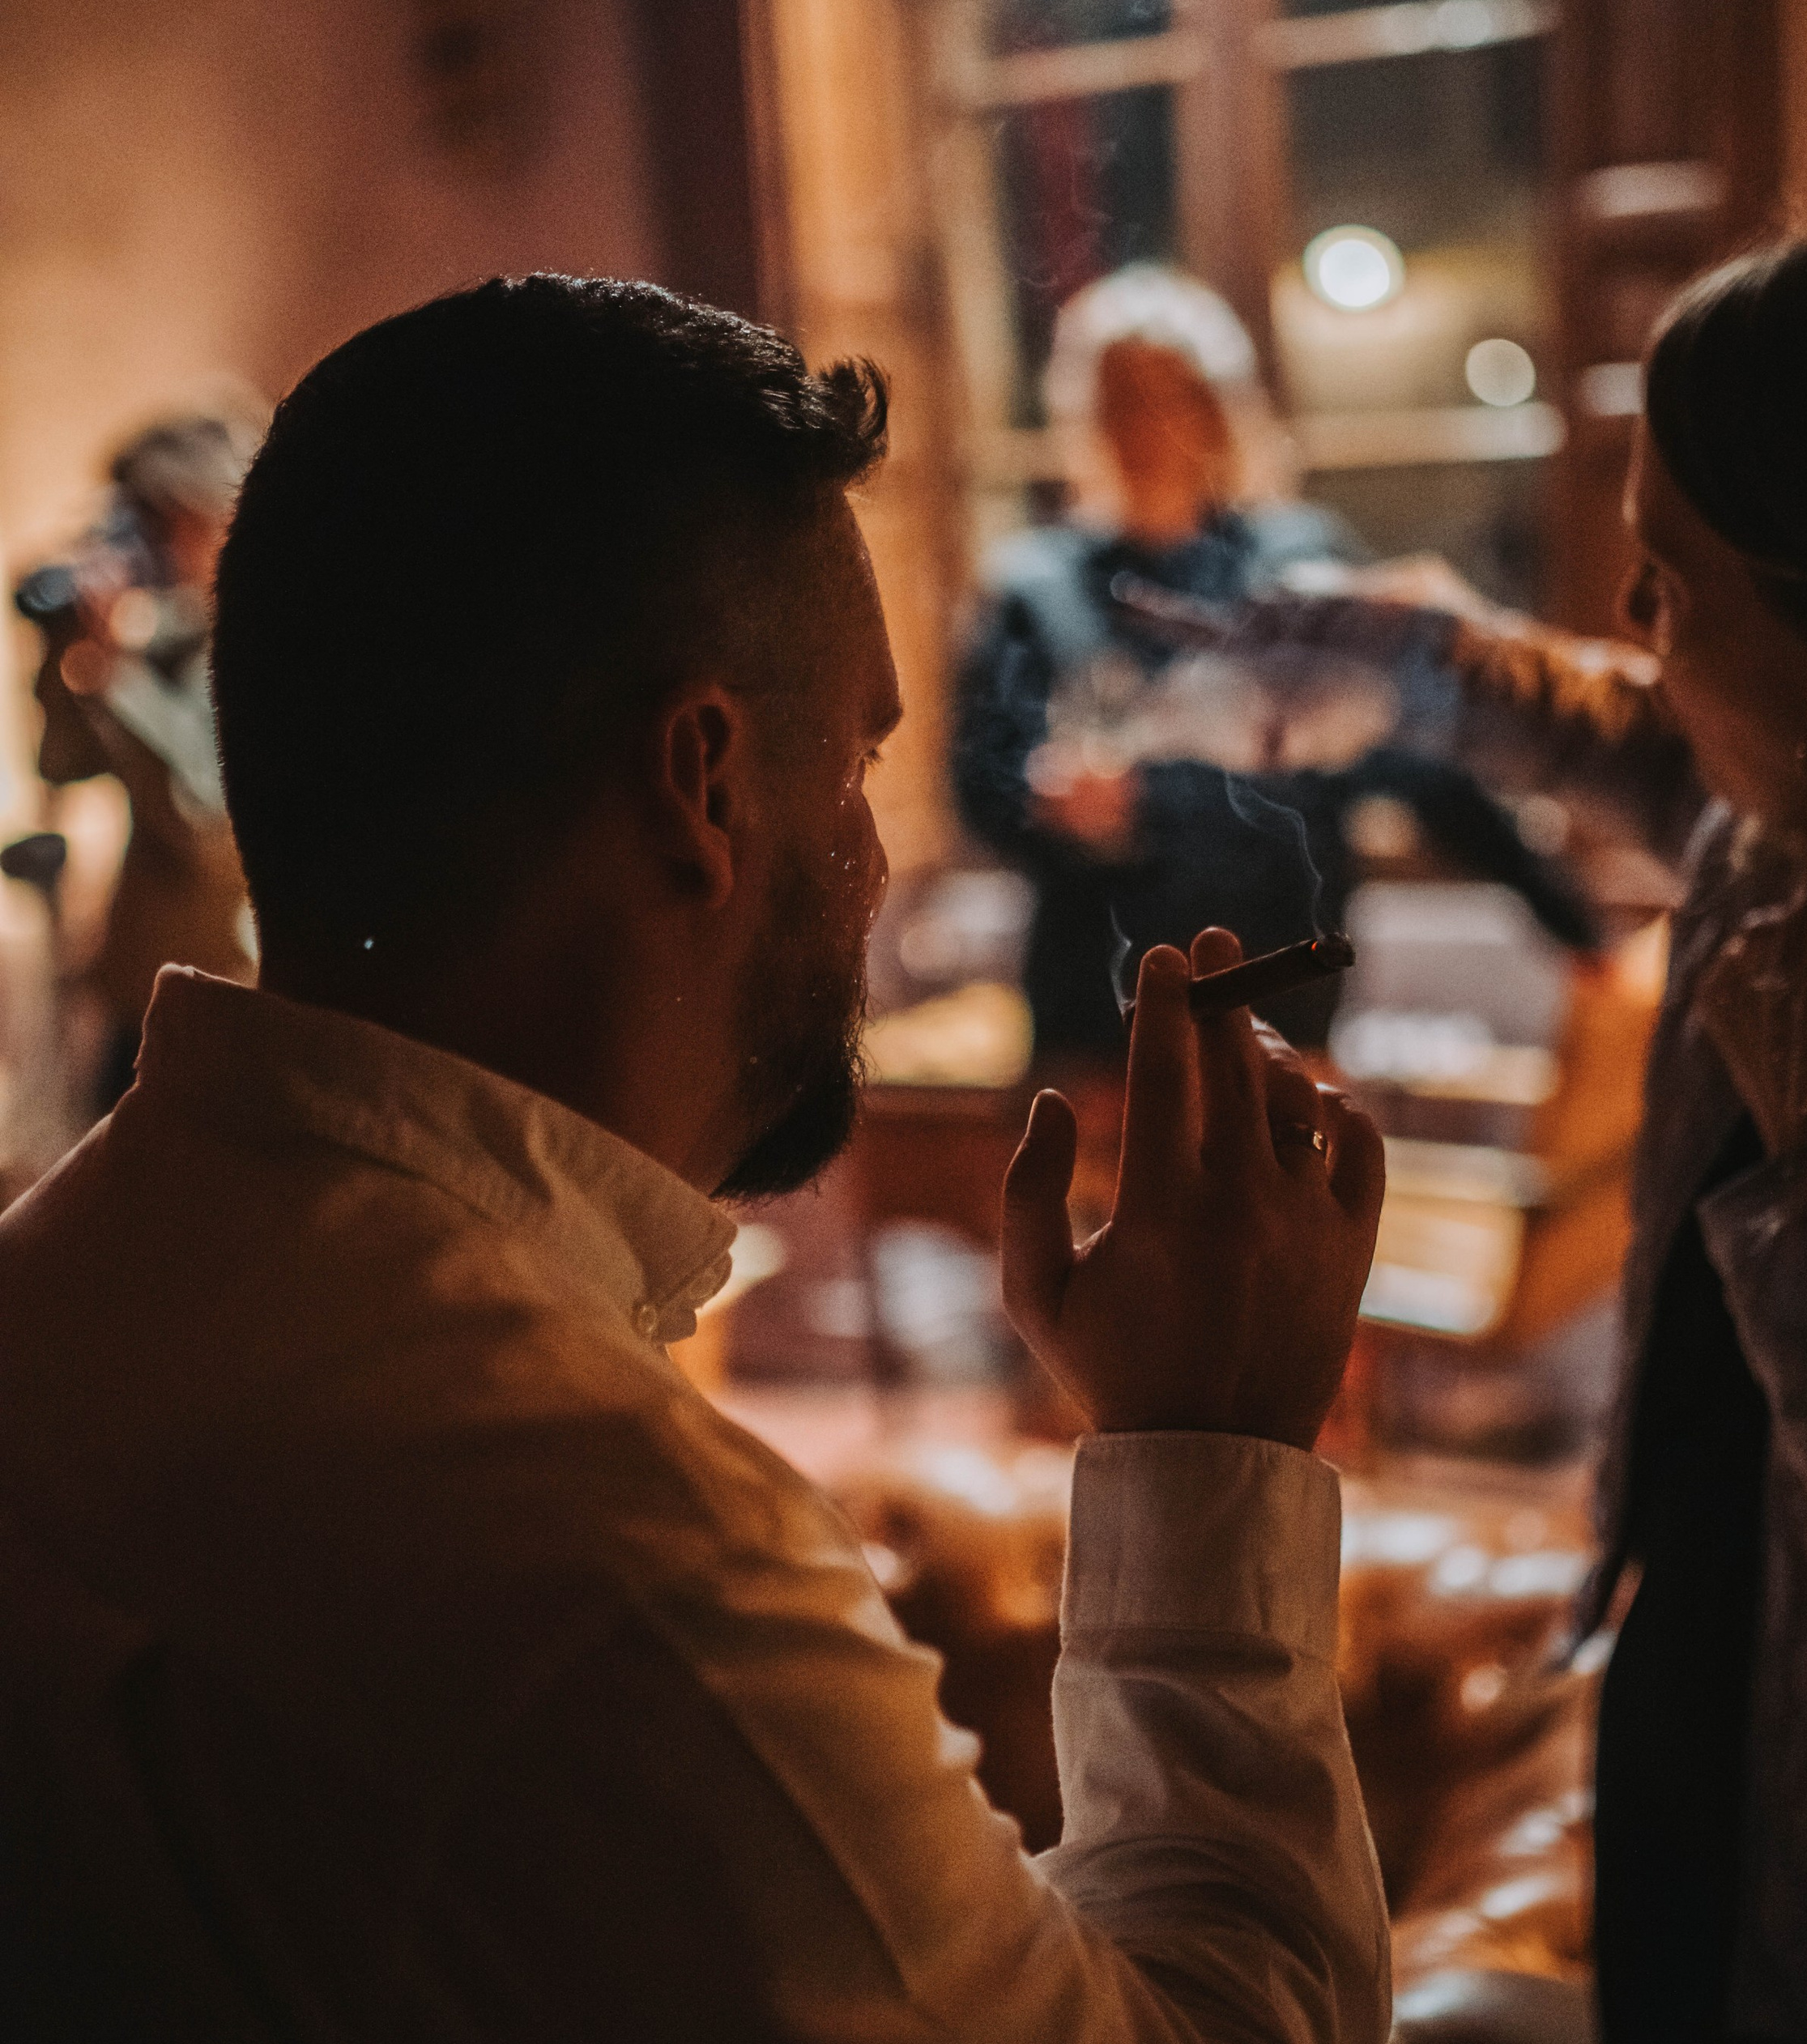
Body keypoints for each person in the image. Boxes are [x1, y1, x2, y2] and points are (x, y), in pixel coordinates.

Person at [0, 275, 1393, 2041]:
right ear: (704, 781)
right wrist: (1210, 1458)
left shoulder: (67, 1285)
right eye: (860, 756)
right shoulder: (635, 1584)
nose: (873, 858)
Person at [1214, 218, 1807, 2041]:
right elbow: (1623, 726)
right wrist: (1409, 651)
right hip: (1730, 1712)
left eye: (1671, 583)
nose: (1627, 625)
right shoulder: (1794, 825)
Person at [952, 265, 1591, 1062]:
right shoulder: (1034, 586)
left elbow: (1417, 757)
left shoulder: (1300, 572)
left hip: (1280, 996)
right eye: (1118, 399)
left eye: (1168, 395)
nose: (1143, 425)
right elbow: (978, 780)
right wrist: (1039, 797)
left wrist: (1570, 922)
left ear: (1219, 411)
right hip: (1096, 1012)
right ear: (1081, 416)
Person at [18, 411, 259, 1111]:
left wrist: (119, 678)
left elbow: (204, 821)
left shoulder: (257, 652)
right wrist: (64, 661)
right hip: (141, 995)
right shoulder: (168, 641)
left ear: (212, 513)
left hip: (223, 997)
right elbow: (60, 765)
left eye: (157, 519)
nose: (142, 544)